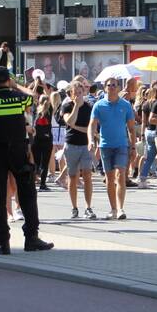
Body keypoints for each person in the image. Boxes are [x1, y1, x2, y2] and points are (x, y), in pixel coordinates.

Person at [0, 68, 53, 255]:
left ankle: (3, 243)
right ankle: (31, 238)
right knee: (27, 195)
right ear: (8, 80)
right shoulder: (18, 97)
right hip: (18, 151)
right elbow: (33, 96)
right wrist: (17, 85)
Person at [89, 79, 136, 220]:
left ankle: (121, 208)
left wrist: (133, 146)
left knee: (120, 174)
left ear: (118, 88)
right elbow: (92, 125)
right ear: (105, 88)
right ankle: (113, 209)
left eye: (114, 85)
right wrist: (91, 140)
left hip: (121, 144)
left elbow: (132, 128)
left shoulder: (126, 105)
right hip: (105, 145)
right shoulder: (99, 105)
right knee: (109, 178)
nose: (111, 87)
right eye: (108, 85)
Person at [60, 80, 96, 220]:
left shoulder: (89, 107)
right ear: (71, 94)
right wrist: (75, 106)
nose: (78, 96)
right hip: (71, 144)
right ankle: (74, 207)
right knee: (73, 176)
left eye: (80, 93)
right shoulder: (67, 106)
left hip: (85, 145)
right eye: (75, 93)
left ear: (84, 92)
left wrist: (84, 131)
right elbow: (69, 122)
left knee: (87, 175)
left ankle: (88, 207)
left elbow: (91, 128)